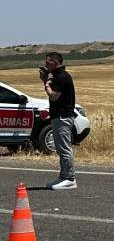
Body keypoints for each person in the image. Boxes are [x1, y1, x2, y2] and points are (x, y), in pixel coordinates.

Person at [41, 52, 78, 190]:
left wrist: (47, 85)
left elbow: (54, 97)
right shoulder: (57, 76)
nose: (45, 64)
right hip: (59, 117)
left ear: (55, 62)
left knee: (64, 149)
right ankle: (63, 177)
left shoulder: (62, 77)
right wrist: (46, 80)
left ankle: (70, 178)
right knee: (61, 149)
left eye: (48, 61)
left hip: (63, 117)